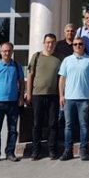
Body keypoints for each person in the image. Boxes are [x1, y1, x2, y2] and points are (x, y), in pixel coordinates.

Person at [58, 38, 89, 161]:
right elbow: (62, 79)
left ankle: (83, 150)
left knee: (84, 125)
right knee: (68, 125)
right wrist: (61, 95)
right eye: (75, 44)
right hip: (69, 98)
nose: (77, 46)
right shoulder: (67, 60)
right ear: (72, 46)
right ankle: (68, 150)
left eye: (80, 44)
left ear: (84, 46)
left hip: (84, 98)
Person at [26, 33, 63, 161]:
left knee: (53, 124)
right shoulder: (36, 57)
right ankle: (36, 151)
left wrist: (61, 95)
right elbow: (30, 76)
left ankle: (52, 150)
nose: (50, 45)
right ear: (44, 43)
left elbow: (62, 78)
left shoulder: (60, 58)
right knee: (37, 124)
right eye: (48, 42)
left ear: (55, 43)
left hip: (53, 96)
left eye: (52, 42)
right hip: (37, 95)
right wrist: (29, 93)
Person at [0, 42, 25, 163]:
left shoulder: (17, 66)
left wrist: (21, 98)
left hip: (13, 102)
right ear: (0, 52)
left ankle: (10, 152)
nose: (6, 53)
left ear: (12, 52)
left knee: (12, 130)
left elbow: (22, 83)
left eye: (9, 51)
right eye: (4, 51)